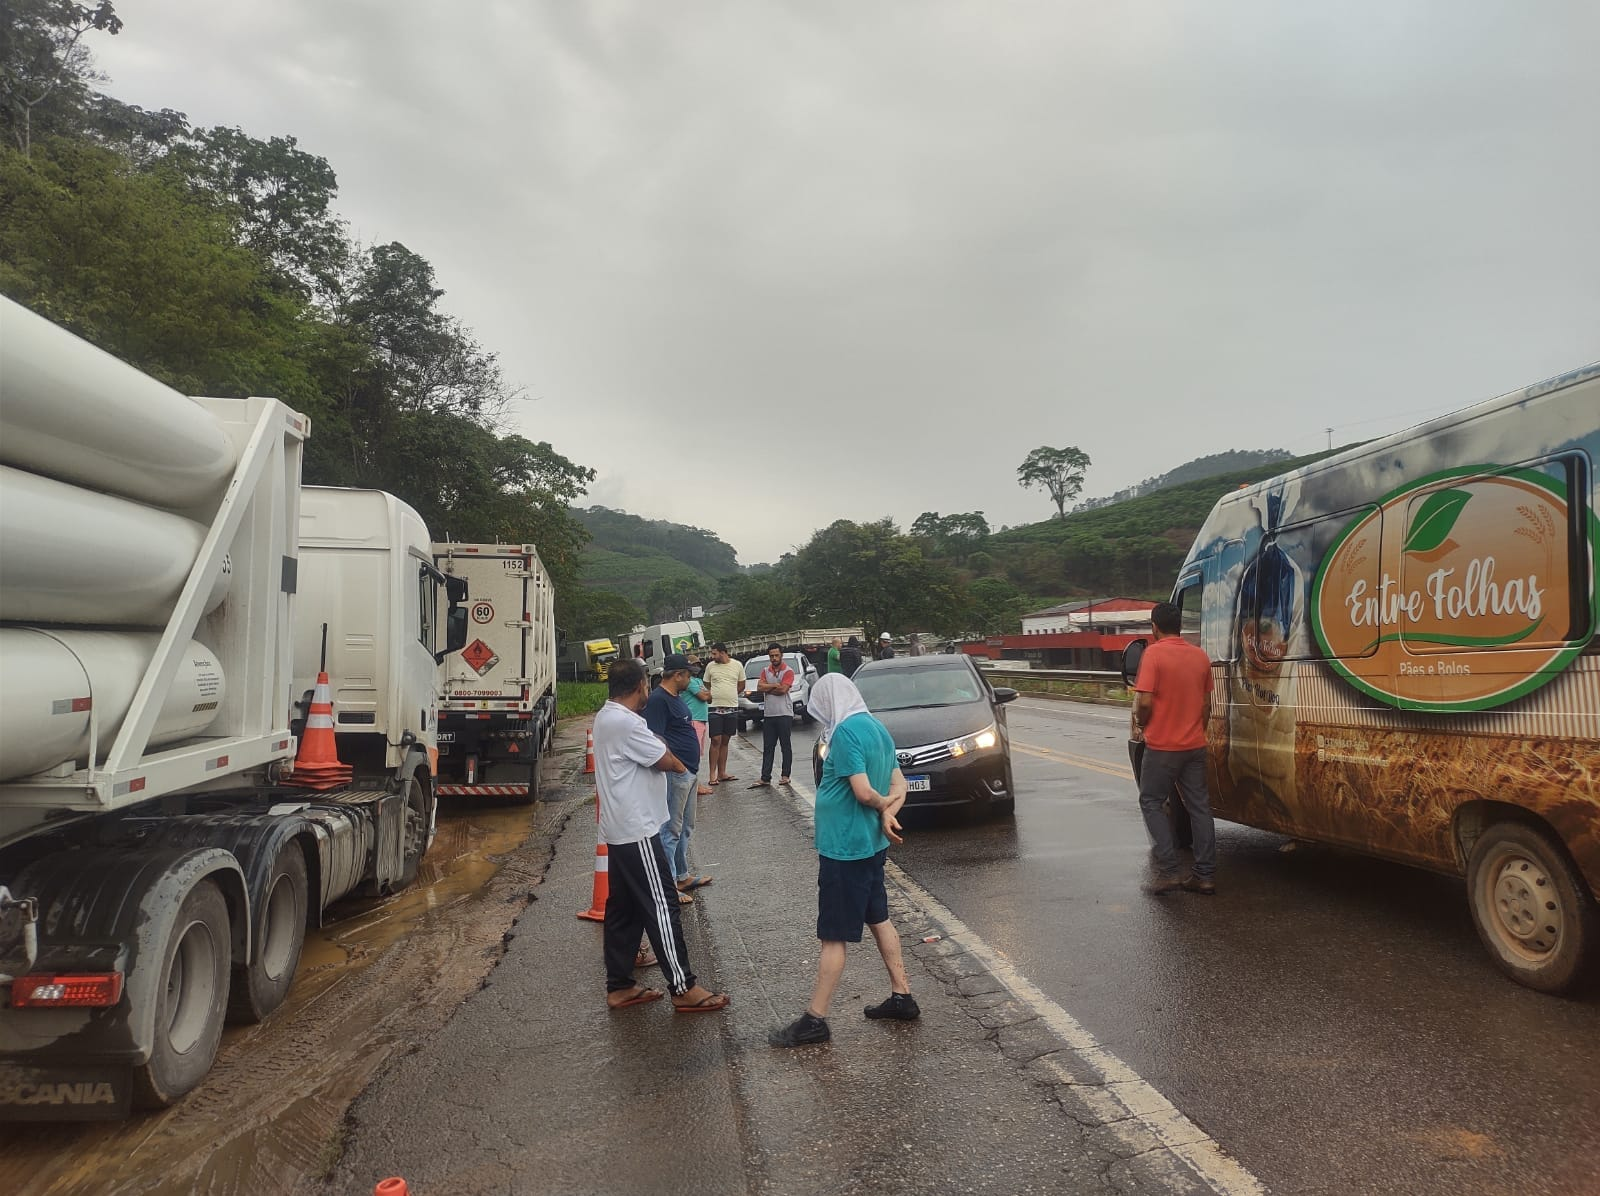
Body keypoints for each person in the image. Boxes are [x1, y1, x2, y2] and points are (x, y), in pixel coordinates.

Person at [769, 673, 917, 1047]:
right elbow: (898, 785)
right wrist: (888, 811)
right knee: (879, 918)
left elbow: (864, 791)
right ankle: (902, 996)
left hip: (845, 849)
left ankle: (815, 1019)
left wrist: (881, 806)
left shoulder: (848, 733)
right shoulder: (877, 728)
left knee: (833, 936)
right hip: (869, 845)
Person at [591, 658, 730, 1012]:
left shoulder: (607, 717)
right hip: (637, 829)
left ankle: (619, 985)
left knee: (624, 909)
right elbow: (665, 758)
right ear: (639, 685)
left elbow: (655, 747)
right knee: (663, 906)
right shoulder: (624, 722)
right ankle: (683, 987)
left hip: (621, 828)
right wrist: (675, 759)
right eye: (645, 685)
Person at [1133, 602, 1217, 896]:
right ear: (1180, 625)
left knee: (1151, 801)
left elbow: (1143, 702)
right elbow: (1207, 706)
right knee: (1199, 808)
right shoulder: (1199, 656)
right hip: (1194, 746)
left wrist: (1143, 724)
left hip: (1162, 747)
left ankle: (1169, 872)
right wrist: (1197, 732)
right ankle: (1204, 875)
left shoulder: (1153, 654)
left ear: (1155, 627)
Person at [646, 654, 711, 898]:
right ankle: (668, 886)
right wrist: (677, 766)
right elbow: (655, 739)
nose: (691, 679)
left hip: (689, 772)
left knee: (686, 826)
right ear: (677, 675)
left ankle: (682, 876)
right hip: (677, 773)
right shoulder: (658, 701)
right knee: (670, 829)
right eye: (688, 674)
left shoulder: (677, 697)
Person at [750, 643, 794, 788]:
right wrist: (775, 685)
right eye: (771, 656)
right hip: (769, 714)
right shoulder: (765, 671)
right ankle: (765, 777)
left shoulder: (788, 671)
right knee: (768, 747)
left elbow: (783, 690)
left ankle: (785, 775)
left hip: (784, 713)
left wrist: (768, 688)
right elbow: (759, 687)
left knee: (785, 745)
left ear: (781, 655)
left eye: (776, 655)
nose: (774, 658)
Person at [702, 642, 745, 785]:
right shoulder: (710, 667)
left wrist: (731, 694)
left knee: (725, 740)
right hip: (715, 708)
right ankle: (712, 774)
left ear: (723, 652)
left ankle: (722, 772)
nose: (712, 656)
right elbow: (707, 684)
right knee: (715, 740)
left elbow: (741, 684)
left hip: (731, 707)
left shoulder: (737, 665)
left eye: (714, 653)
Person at [685, 655, 713, 796]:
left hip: (701, 720)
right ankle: (694, 785)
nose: (697, 666)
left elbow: (709, 698)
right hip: (693, 720)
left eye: (698, 664)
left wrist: (707, 694)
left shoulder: (698, 681)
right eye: (694, 664)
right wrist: (706, 694)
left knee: (698, 754)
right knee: (693, 755)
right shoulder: (688, 681)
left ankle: (695, 783)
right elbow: (704, 696)